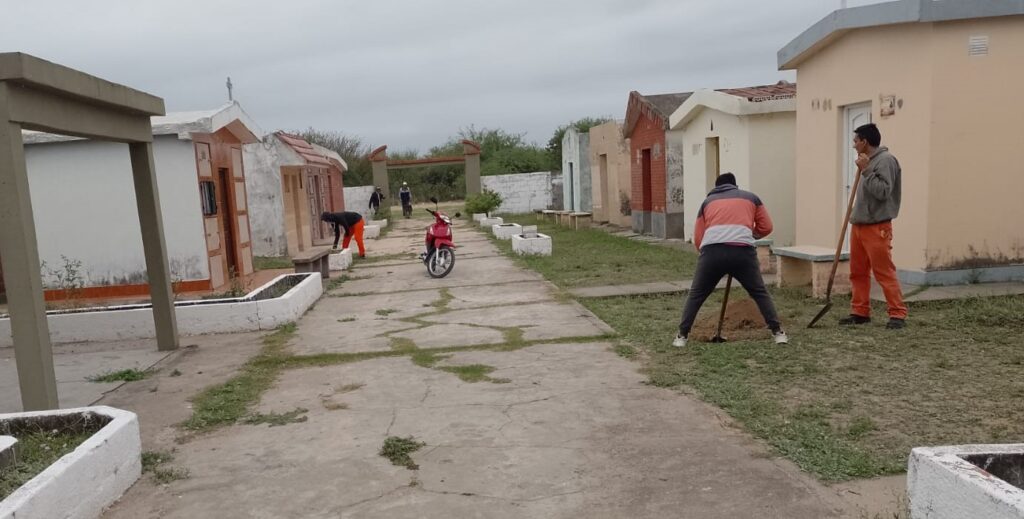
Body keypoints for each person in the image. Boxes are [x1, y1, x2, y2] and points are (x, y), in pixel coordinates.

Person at [673, 173, 788, 347]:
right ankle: (778, 333)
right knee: (759, 292)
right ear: (735, 185)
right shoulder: (751, 198)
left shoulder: (707, 203)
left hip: (712, 252)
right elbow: (767, 226)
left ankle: (681, 337)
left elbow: (698, 237)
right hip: (742, 252)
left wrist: (705, 255)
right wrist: (749, 235)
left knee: (696, 295)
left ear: (716, 187)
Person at [840, 123, 907, 329]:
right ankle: (860, 311)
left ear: (865, 142)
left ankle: (897, 314)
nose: (853, 145)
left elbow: (883, 192)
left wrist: (866, 170)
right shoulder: (866, 161)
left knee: (883, 272)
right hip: (859, 225)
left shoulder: (886, 161)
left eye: (855, 141)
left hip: (877, 227)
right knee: (857, 272)